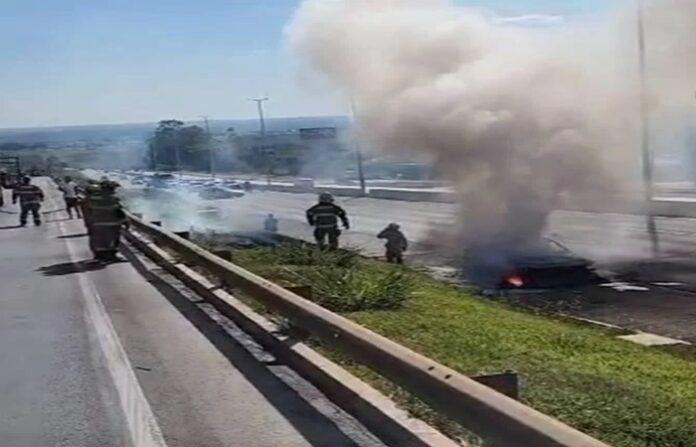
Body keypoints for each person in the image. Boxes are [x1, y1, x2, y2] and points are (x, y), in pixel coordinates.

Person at [83, 180, 128, 261]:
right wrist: (125, 221)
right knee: (113, 241)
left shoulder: (93, 198)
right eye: (113, 188)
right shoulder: (113, 198)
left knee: (99, 241)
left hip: (97, 224)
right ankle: (112, 256)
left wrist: (88, 221)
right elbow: (119, 211)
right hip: (112, 224)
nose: (114, 190)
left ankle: (99, 257)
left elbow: (88, 209)